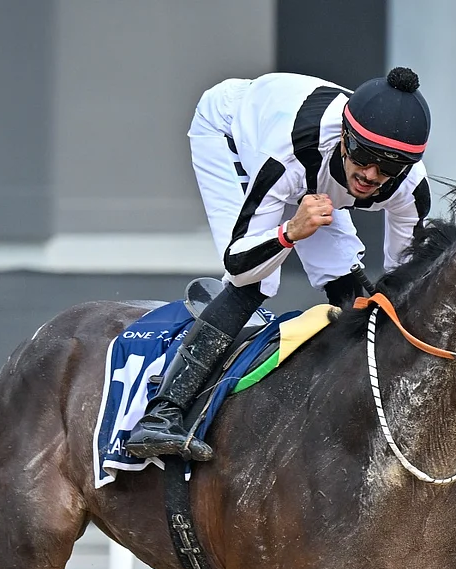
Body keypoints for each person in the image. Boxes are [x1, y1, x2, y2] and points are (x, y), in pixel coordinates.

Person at [124, 67, 433, 462]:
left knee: (351, 290)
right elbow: (239, 264)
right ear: (344, 137)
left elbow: (403, 286)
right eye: (362, 156)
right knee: (257, 283)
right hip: (234, 136)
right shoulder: (288, 157)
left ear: (407, 166)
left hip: (309, 167)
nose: (370, 175)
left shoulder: (410, 189)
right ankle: (163, 413)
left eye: (388, 165)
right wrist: (290, 231)